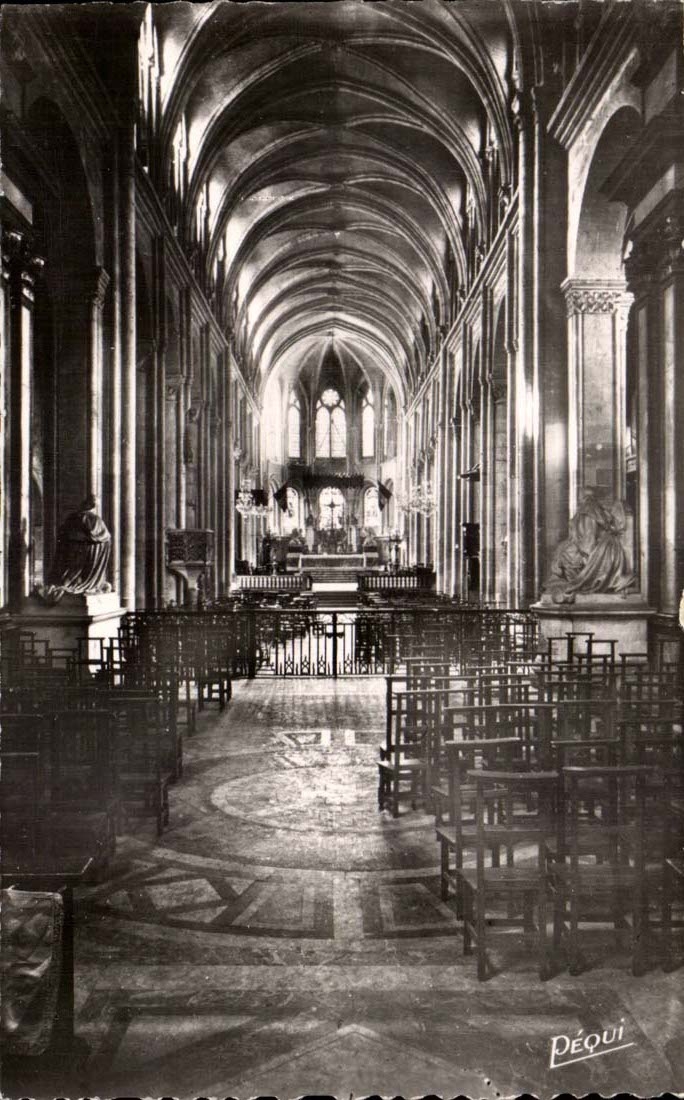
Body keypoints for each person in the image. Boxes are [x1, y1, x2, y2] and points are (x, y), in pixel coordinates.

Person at [547, 491, 635, 604]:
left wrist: (584, 553)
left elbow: (588, 539)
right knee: (565, 551)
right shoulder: (594, 511)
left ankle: (575, 582)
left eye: (581, 497)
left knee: (567, 553)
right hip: (601, 547)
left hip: (598, 550)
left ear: (584, 498)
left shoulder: (588, 511)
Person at [43, 494, 112, 599]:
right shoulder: (90, 519)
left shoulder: (79, 518)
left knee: (70, 572)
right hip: (78, 553)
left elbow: (104, 537)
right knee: (70, 572)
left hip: (78, 552)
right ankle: (67, 585)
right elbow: (104, 537)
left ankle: (67, 584)